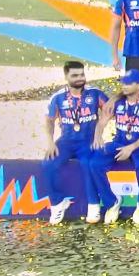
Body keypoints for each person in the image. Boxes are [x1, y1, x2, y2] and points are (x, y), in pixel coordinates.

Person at [88, 69, 139, 225]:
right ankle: (112, 202)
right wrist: (97, 136)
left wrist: (130, 148)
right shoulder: (117, 102)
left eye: (128, 83)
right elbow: (102, 122)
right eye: (123, 82)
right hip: (119, 142)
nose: (124, 86)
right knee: (94, 163)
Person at [41, 61, 109, 225]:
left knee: (87, 163)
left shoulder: (95, 93)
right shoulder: (58, 98)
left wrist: (99, 132)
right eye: (75, 75)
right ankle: (57, 203)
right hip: (66, 141)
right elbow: (49, 121)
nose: (80, 78)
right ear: (66, 76)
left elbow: (111, 110)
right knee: (48, 164)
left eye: (82, 74)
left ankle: (93, 205)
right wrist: (50, 142)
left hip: (88, 141)